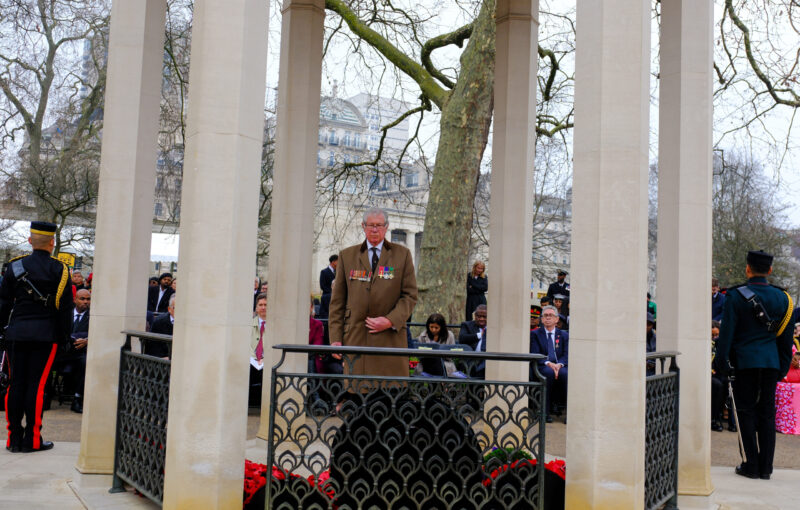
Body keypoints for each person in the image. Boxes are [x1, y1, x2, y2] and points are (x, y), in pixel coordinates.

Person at [715, 250, 794, 480]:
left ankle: (751, 464)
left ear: (748, 269)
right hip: (771, 363)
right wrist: (782, 367)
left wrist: (723, 363)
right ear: (769, 270)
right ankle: (766, 467)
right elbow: (786, 339)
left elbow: (726, 334)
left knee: (746, 411)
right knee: (768, 415)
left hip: (745, 363)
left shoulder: (735, 295)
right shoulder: (784, 298)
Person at [0, 221, 72, 452]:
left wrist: (3, 331)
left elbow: (3, 303)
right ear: (52, 243)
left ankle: (13, 439)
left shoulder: (14, 266)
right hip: (45, 336)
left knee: (15, 385)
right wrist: (64, 339)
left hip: (16, 334)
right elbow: (64, 309)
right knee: (37, 387)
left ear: (30, 241)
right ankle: (32, 439)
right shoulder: (59, 269)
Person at [529, 305, 569, 423]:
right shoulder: (535, 334)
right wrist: (548, 363)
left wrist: (559, 364)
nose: (548, 318)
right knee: (548, 374)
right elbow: (535, 352)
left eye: (551, 315)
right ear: (541, 319)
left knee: (565, 375)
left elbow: (566, 354)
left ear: (556, 319)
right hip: (543, 365)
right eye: (545, 316)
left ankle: (569, 413)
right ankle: (544, 413)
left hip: (560, 365)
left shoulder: (564, 335)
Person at [56, 288, 91, 413]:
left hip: (79, 353)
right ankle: (45, 397)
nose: (86, 302)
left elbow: (96, 333)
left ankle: (77, 399)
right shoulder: (65, 314)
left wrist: (87, 340)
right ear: (75, 300)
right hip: (62, 352)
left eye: (88, 299)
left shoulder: (93, 316)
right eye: (82, 299)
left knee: (85, 363)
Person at [458, 304, 487, 378]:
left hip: (487, 359)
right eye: (479, 316)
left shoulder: (494, 328)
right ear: (475, 316)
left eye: (484, 317)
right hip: (472, 358)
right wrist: (480, 335)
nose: (481, 319)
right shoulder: (467, 325)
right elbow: (462, 338)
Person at [148, 294, 174, 358]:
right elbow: (153, 346)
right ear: (169, 309)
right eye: (176, 308)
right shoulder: (159, 322)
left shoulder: (188, 325)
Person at [319, 255, 338, 319]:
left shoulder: (338, 272)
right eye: (338, 261)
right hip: (327, 299)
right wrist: (332, 293)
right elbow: (322, 286)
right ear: (333, 262)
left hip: (336, 299)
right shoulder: (324, 272)